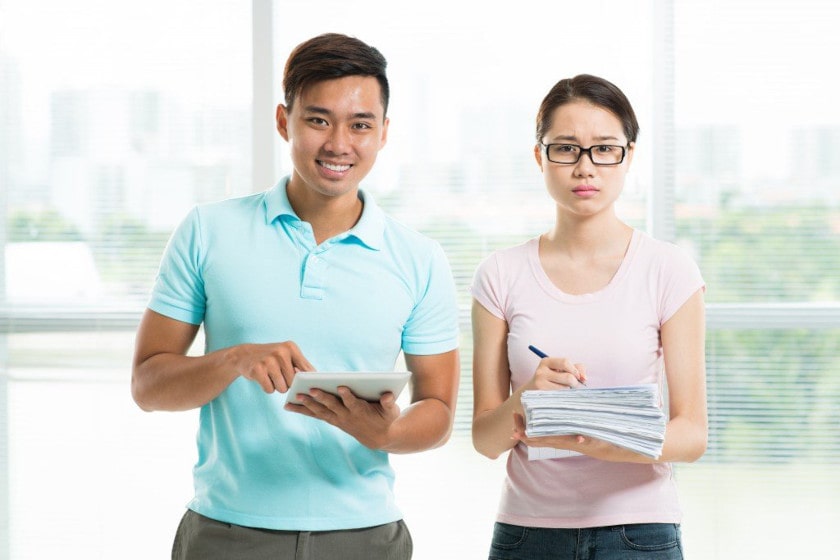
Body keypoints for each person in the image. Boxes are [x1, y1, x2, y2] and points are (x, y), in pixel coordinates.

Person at [131, 32, 460, 560]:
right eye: (318, 119)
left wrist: (385, 432)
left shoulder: (420, 259)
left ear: (383, 133)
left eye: (360, 125)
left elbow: (439, 411)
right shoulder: (207, 230)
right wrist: (234, 359)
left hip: (366, 537)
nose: (338, 144)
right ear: (285, 121)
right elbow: (148, 385)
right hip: (225, 533)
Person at [470, 74, 707, 559]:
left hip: (639, 531)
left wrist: (601, 442)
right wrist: (527, 396)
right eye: (565, 149)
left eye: (604, 149)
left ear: (629, 157)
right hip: (525, 533)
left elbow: (692, 434)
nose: (585, 168)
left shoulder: (669, 269)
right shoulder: (500, 274)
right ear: (540, 156)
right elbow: (484, 439)